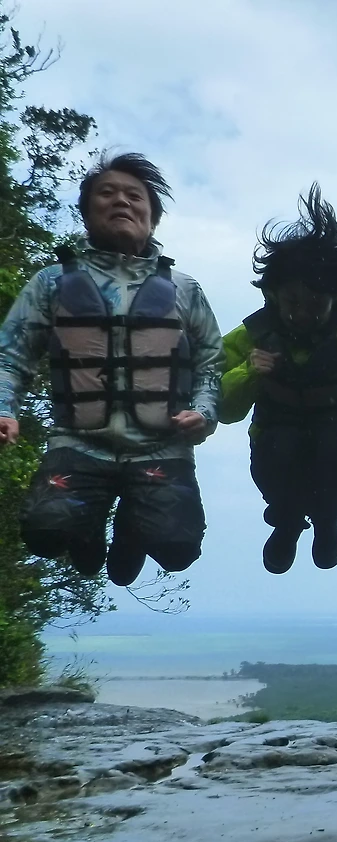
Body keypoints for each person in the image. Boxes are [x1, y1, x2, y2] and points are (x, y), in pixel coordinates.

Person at [0, 153, 221, 587]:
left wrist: (204, 413)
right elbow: (11, 354)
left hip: (160, 447)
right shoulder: (51, 283)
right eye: (107, 193)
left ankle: (132, 529)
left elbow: (210, 361)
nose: (121, 200)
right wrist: (5, 409)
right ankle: (86, 529)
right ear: (86, 213)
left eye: (134, 196)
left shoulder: (185, 289)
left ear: (152, 219)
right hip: (79, 443)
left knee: (178, 548)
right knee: (45, 533)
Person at [220, 186, 337, 573]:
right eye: (293, 301)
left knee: (332, 439)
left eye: (315, 304)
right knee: (282, 442)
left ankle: (330, 517)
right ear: (275, 294)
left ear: (335, 299)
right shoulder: (253, 336)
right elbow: (220, 409)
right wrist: (249, 372)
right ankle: (287, 520)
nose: (301, 314)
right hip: (277, 452)